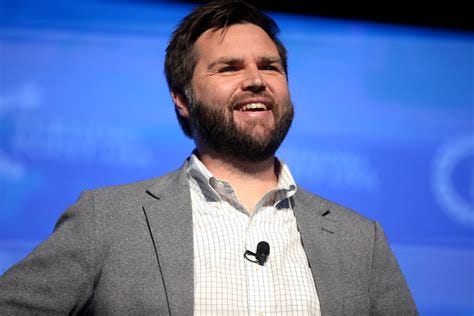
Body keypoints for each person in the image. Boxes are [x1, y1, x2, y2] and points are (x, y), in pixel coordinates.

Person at [0, 0, 418, 314]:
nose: (256, 80)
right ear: (182, 98)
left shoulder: (362, 240)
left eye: (270, 67)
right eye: (229, 68)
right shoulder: (106, 218)